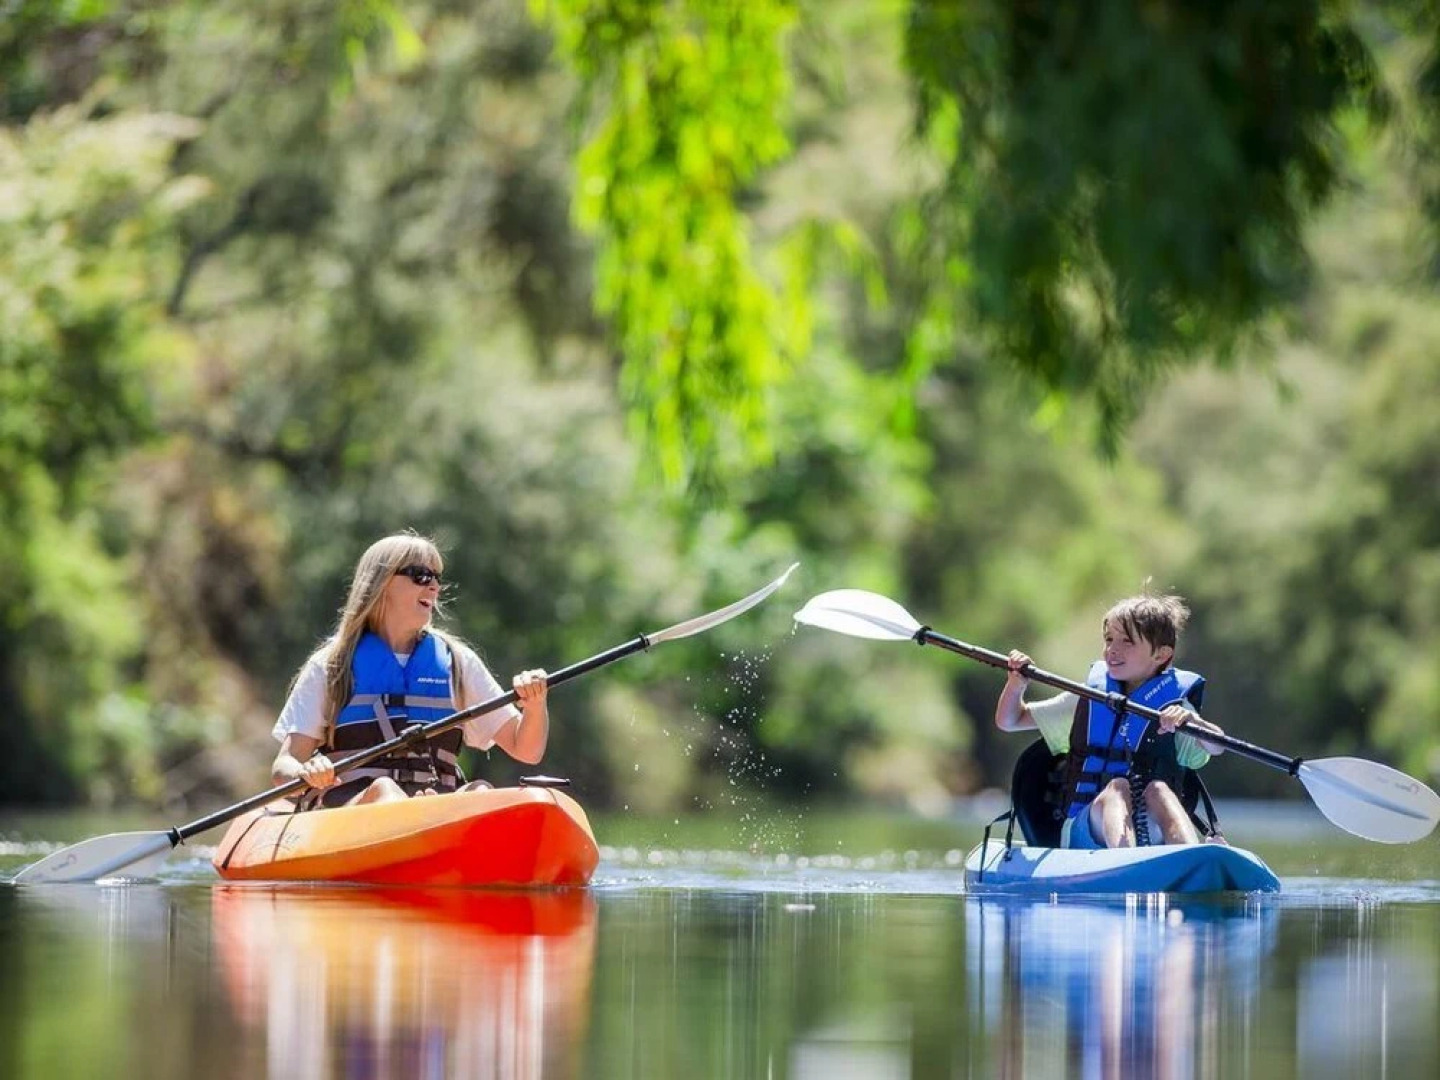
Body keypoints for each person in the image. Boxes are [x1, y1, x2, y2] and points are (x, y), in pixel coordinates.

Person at [270, 532, 550, 808]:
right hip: (353, 810)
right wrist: (305, 772)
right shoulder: (332, 665)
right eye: (421, 575)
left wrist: (535, 705)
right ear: (381, 583)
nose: (434, 587)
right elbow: (284, 766)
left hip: (435, 806)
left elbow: (526, 748)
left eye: (437, 578)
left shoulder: (457, 662)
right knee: (386, 791)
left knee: (481, 791)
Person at [993, 593, 1226, 848]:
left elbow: (1217, 746)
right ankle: (1124, 859)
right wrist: (1016, 684)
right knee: (1118, 787)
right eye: (1109, 639)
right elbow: (1010, 720)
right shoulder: (1088, 698)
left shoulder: (1175, 709)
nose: (1113, 649)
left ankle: (1188, 854)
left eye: (1127, 641)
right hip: (1086, 829)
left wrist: (1193, 721)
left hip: (1152, 830)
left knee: (1158, 790)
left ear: (1161, 655)